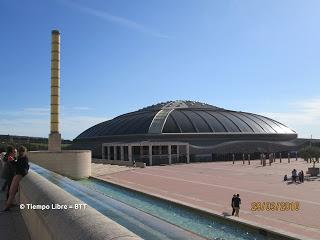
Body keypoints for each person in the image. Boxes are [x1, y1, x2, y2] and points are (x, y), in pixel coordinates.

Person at [4, 146, 29, 211]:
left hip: (17, 175)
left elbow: (17, 165)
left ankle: (7, 206)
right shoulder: (24, 158)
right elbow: (23, 168)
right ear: (24, 151)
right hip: (19, 175)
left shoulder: (20, 157)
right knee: (12, 191)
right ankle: (7, 206)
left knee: (11, 191)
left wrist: (12, 161)